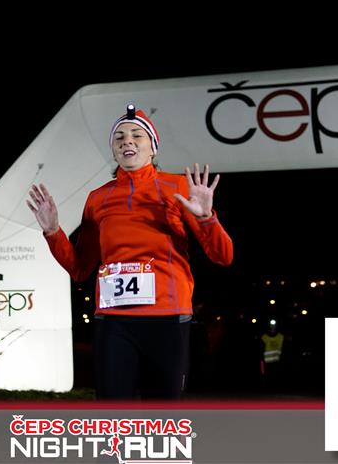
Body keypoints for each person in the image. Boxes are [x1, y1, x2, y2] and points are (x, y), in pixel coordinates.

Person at [26, 104, 233, 400]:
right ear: (113, 150)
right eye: (119, 137)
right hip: (113, 321)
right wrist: (53, 232)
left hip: (168, 317)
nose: (128, 141)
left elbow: (223, 256)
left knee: (162, 416)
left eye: (137, 135)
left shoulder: (177, 187)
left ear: (153, 148)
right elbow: (80, 269)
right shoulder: (97, 198)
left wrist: (206, 218)